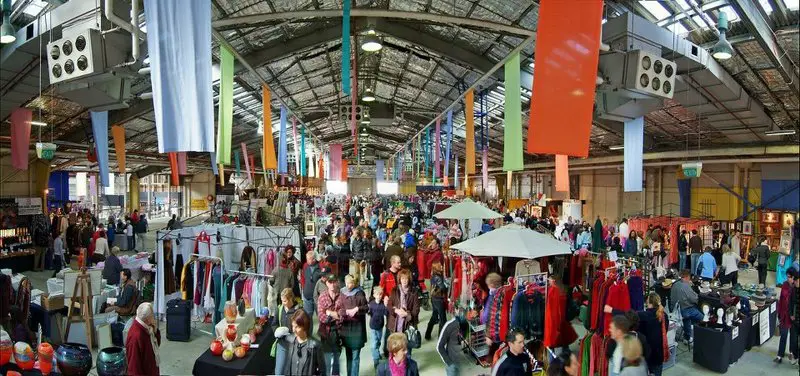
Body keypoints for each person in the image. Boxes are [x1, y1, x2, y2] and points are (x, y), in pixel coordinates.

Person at [605, 292, 667, 376]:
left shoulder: (645, 316)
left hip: (648, 355)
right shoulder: (664, 315)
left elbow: (628, 315)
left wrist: (611, 310)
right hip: (659, 354)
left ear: (649, 303)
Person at [275, 310, 325, 375]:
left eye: (297, 327)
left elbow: (322, 371)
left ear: (304, 327)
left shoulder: (315, 346)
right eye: (293, 326)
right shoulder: (290, 341)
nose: (293, 330)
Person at [386, 269, 420, 355]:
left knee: (407, 351)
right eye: (402, 278)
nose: (404, 281)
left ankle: (406, 367)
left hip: (408, 324)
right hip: (395, 324)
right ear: (399, 279)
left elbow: (416, 309)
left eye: (406, 278)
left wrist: (406, 314)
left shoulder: (414, 292)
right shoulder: (394, 290)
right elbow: (389, 306)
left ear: (409, 279)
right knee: (395, 349)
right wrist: (396, 310)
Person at [340, 274, 368, 376]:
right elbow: (339, 309)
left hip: (357, 328)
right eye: (347, 283)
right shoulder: (342, 293)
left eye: (351, 283)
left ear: (354, 283)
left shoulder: (360, 293)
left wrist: (357, 309)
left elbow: (366, 308)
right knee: (348, 356)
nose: (349, 285)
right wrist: (346, 311)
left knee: (355, 356)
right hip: (346, 328)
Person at [317, 274, 343, 376]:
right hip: (325, 332)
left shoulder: (341, 296)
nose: (332, 285)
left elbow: (342, 315)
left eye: (334, 282)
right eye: (330, 282)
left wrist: (328, 312)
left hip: (338, 331)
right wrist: (334, 315)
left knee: (336, 357)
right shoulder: (322, 297)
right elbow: (321, 317)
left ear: (337, 282)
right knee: (326, 358)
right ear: (326, 283)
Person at [126, 302, 160, 376]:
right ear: (148, 319)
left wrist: (155, 331)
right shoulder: (136, 336)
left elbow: (157, 344)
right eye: (152, 315)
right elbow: (134, 368)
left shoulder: (148, 327)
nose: (154, 317)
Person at [670, 269, 702, 345]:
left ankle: (687, 337)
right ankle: (704, 336)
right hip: (684, 310)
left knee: (687, 318)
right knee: (703, 317)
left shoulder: (675, 284)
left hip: (675, 310)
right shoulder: (685, 286)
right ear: (688, 277)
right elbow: (694, 299)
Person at [272, 288, 299, 374]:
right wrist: (277, 331)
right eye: (282, 301)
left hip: (294, 345)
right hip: (282, 344)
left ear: (291, 299)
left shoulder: (298, 311)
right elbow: (274, 324)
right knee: (279, 372)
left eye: (285, 301)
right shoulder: (279, 309)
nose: (283, 303)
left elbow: (302, 328)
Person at [775, 268, 798, 364]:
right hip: (784, 315)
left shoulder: (797, 287)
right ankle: (779, 355)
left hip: (793, 317)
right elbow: (781, 300)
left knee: (793, 338)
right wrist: (779, 313)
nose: (787, 278)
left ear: (793, 277)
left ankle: (792, 353)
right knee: (783, 335)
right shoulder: (784, 285)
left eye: (789, 277)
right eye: (787, 276)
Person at [426, 261, 447, 340]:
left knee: (434, 316)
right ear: (437, 268)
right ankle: (441, 337)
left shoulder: (433, 275)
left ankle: (427, 334)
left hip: (434, 298)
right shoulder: (438, 277)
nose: (442, 267)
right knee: (443, 319)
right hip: (439, 299)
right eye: (440, 266)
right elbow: (442, 287)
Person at [368, 286, 388, 370]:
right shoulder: (371, 304)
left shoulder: (383, 305)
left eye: (380, 294)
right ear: (374, 295)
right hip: (373, 326)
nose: (379, 296)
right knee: (373, 344)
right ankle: (376, 360)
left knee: (379, 341)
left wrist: (387, 306)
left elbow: (386, 313)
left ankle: (377, 352)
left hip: (380, 326)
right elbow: (370, 312)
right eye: (377, 294)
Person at [301, 250, 323, 321]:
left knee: (320, 317)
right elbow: (303, 278)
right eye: (307, 259)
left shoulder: (320, 266)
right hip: (307, 296)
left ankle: (321, 332)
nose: (307, 261)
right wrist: (304, 288)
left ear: (313, 259)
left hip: (318, 297)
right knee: (307, 318)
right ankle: (309, 332)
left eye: (308, 259)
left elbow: (323, 281)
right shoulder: (305, 266)